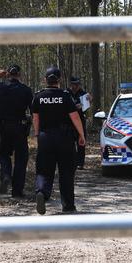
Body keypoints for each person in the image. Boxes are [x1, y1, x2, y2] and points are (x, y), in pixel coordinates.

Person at [31, 67, 86, 215]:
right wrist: (81, 135)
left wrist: (37, 135)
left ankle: (42, 192)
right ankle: (68, 205)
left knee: (43, 170)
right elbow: (75, 117)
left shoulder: (39, 97)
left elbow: (35, 118)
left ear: (45, 79)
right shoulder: (65, 96)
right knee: (66, 172)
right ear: (59, 80)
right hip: (65, 138)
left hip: (45, 138)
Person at [0, 64, 33, 197]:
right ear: (19, 75)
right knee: (21, 158)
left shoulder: (0, 87)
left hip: (4, 127)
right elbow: (33, 111)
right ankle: (17, 191)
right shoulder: (26, 90)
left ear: (7, 74)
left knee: (4, 154)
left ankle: (5, 175)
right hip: (20, 127)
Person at [67, 76, 91, 170]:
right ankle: (70, 162)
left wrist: (90, 100)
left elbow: (87, 108)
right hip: (68, 122)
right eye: (74, 84)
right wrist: (74, 107)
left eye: (77, 84)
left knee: (81, 142)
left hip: (80, 120)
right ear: (71, 84)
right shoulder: (66, 93)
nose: (76, 86)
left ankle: (80, 163)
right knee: (69, 143)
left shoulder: (83, 93)